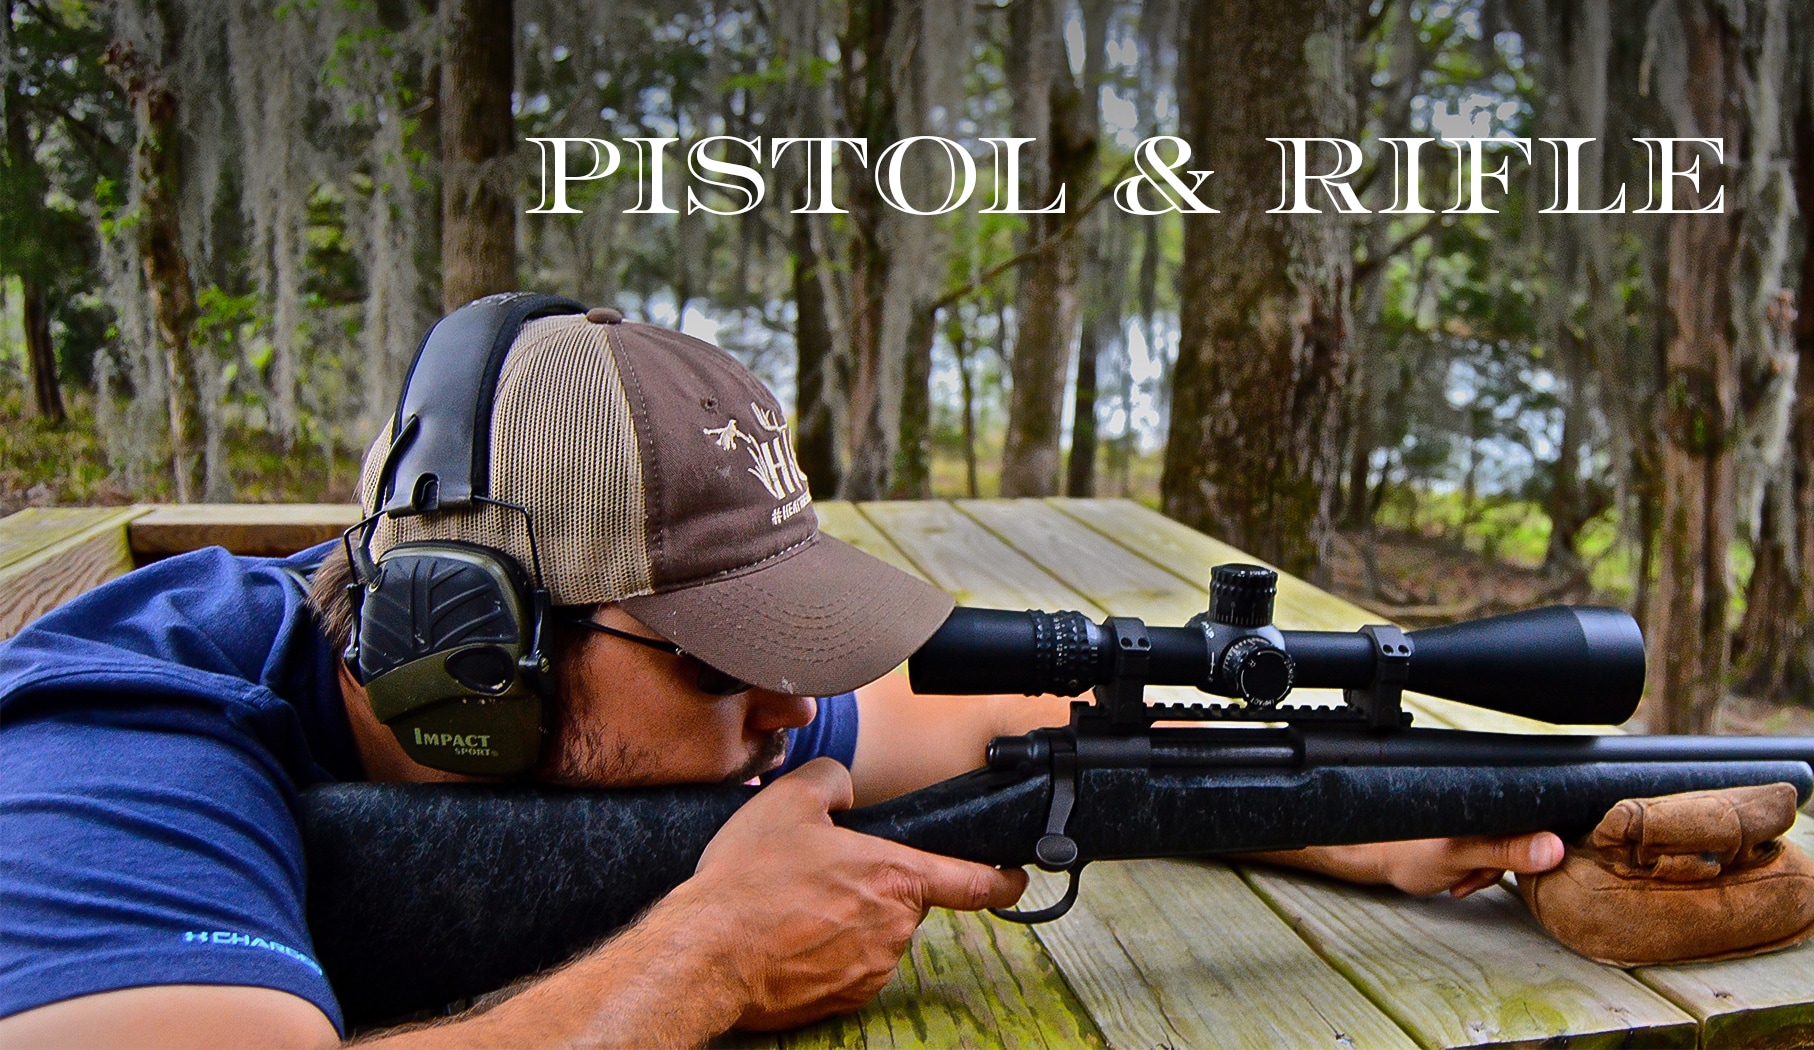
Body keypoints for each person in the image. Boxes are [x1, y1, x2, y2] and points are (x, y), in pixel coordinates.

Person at [0, 305, 1564, 1048]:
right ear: (471, 640)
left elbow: (965, 719)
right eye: (725, 661)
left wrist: (1382, 813)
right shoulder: (114, 725)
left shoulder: (650, 698)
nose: (776, 715)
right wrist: (700, 961)